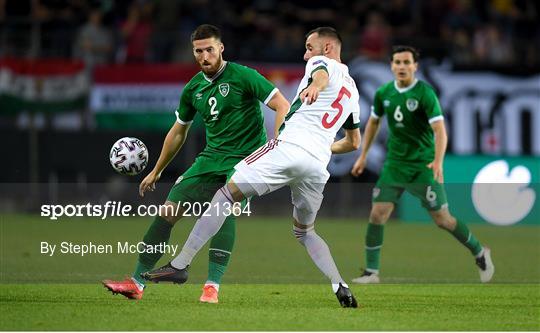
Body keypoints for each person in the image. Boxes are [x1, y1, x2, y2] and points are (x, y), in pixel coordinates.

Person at [142, 27, 361, 308]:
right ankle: (339, 284)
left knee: (224, 195)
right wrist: (318, 145)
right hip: (317, 163)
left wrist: (316, 86)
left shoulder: (321, 63)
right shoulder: (353, 91)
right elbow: (353, 142)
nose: (306, 53)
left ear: (328, 48)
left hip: (289, 148)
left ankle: (180, 264)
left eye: (309, 47)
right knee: (305, 232)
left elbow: (321, 73)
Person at [103, 24, 290, 303]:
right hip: (210, 159)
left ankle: (211, 286)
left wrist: (276, 145)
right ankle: (137, 283)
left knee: (223, 210)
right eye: (199, 51)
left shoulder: (244, 76)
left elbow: (282, 105)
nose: (205, 56)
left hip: (246, 160)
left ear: (221, 48)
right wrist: (157, 170)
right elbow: (179, 129)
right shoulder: (193, 88)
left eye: (210, 50)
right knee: (167, 212)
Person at [350, 45, 495, 284]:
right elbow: (373, 123)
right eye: (397, 62)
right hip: (395, 165)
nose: (402, 67)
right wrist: (363, 155)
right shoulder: (384, 93)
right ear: (391, 66)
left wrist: (438, 162)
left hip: (422, 166)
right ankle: (371, 272)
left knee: (443, 220)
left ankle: (480, 251)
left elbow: (440, 131)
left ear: (415, 66)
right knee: (377, 214)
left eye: (407, 62)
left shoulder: (425, 94)